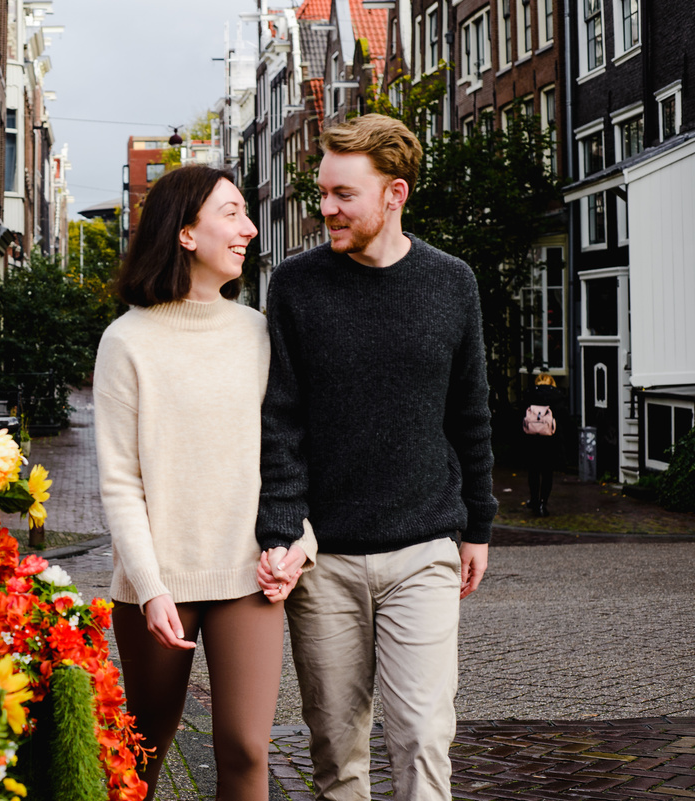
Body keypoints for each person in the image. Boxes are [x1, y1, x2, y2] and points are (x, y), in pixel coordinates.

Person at [256, 114, 498, 801]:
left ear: (395, 194)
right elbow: (280, 419)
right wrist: (281, 528)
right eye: (322, 192)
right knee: (337, 752)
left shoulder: (452, 283)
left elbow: (470, 412)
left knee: (422, 737)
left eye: (343, 195)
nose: (325, 208)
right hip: (325, 560)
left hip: (423, 549)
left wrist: (478, 523)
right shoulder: (296, 286)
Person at [93, 164, 318, 801]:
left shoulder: (258, 333)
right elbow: (119, 482)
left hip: (250, 575)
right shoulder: (127, 341)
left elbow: (289, 454)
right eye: (232, 212)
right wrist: (151, 587)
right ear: (186, 232)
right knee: (143, 753)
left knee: (248, 749)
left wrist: (299, 543)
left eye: (248, 214)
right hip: (157, 588)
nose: (249, 228)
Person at [522, 372, 566, 516]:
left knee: (533, 472)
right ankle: (543, 503)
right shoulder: (558, 396)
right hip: (550, 441)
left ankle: (534, 500)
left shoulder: (530, 394)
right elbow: (562, 419)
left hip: (532, 440)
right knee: (547, 473)